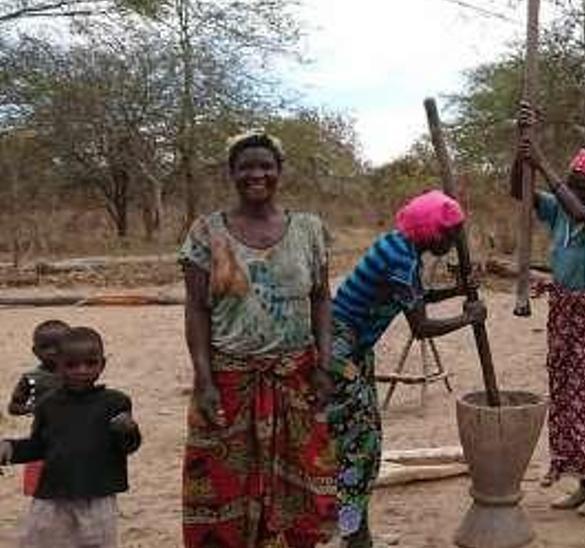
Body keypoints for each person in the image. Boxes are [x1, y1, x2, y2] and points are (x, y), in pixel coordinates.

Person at [180, 130, 337, 547]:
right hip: (229, 379)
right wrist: (204, 379)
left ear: (280, 171)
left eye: (266, 166)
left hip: (295, 375)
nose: (257, 174)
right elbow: (196, 308)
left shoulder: (309, 230)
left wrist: (325, 364)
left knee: (301, 485)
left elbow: (322, 299)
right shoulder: (205, 233)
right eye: (246, 166)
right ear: (231, 173)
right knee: (221, 484)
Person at [328, 190, 487, 547]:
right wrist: (468, 316)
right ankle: (353, 538)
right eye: (449, 233)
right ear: (430, 230)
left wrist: (456, 289)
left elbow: (414, 295)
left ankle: (358, 536)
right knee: (357, 451)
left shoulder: (400, 248)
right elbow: (420, 327)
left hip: (352, 350)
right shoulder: (400, 259)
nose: (452, 240)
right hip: (340, 356)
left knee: (364, 447)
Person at [514, 106, 585, 517]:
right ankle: (584, 482)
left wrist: (542, 162)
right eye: (573, 181)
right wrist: (522, 149)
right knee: (570, 397)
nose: (574, 188)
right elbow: (519, 191)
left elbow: (579, 210)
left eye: (582, 183)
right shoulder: (559, 208)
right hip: (564, 312)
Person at [0, 326, 142, 548]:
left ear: (102, 365)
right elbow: (40, 446)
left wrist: (129, 430)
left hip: (98, 494)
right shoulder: (48, 405)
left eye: (90, 363)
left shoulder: (116, 402)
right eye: (71, 365)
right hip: (53, 495)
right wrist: (9, 449)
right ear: (57, 366)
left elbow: (127, 447)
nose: (81, 370)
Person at [8, 319, 70, 497]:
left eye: (58, 346)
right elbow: (13, 407)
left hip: (75, 431)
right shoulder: (32, 378)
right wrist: (31, 407)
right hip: (43, 434)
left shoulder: (77, 373)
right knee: (43, 482)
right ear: (35, 351)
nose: (52, 352)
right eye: (45, 347)